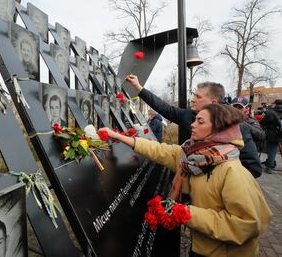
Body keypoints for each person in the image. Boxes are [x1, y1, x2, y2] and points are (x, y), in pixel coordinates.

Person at [99, 104, 272, 256]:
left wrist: (185, 213)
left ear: (219, 129)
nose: (192, 124)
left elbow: (246, 225)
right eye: (195, 120)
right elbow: (159, 150)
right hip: (203, 248)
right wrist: (119, 137)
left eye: (200, 122)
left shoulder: (233, 172)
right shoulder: (191, 156)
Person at [125, 74, 262, 178]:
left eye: (198, 96)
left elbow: (253, 168)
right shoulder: (186, 115)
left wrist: (210, 179)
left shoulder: (236, 127)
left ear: (213, 102)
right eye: (193, 95)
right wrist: (139, 87)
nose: (192, 99)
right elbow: (164, 108)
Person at [260, 99, 282, 174]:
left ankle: (269, 167)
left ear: (275, 104)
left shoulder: (271, 112)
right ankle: (270, 162)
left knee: (272, 150)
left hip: (273, 135)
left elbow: (262, 122)